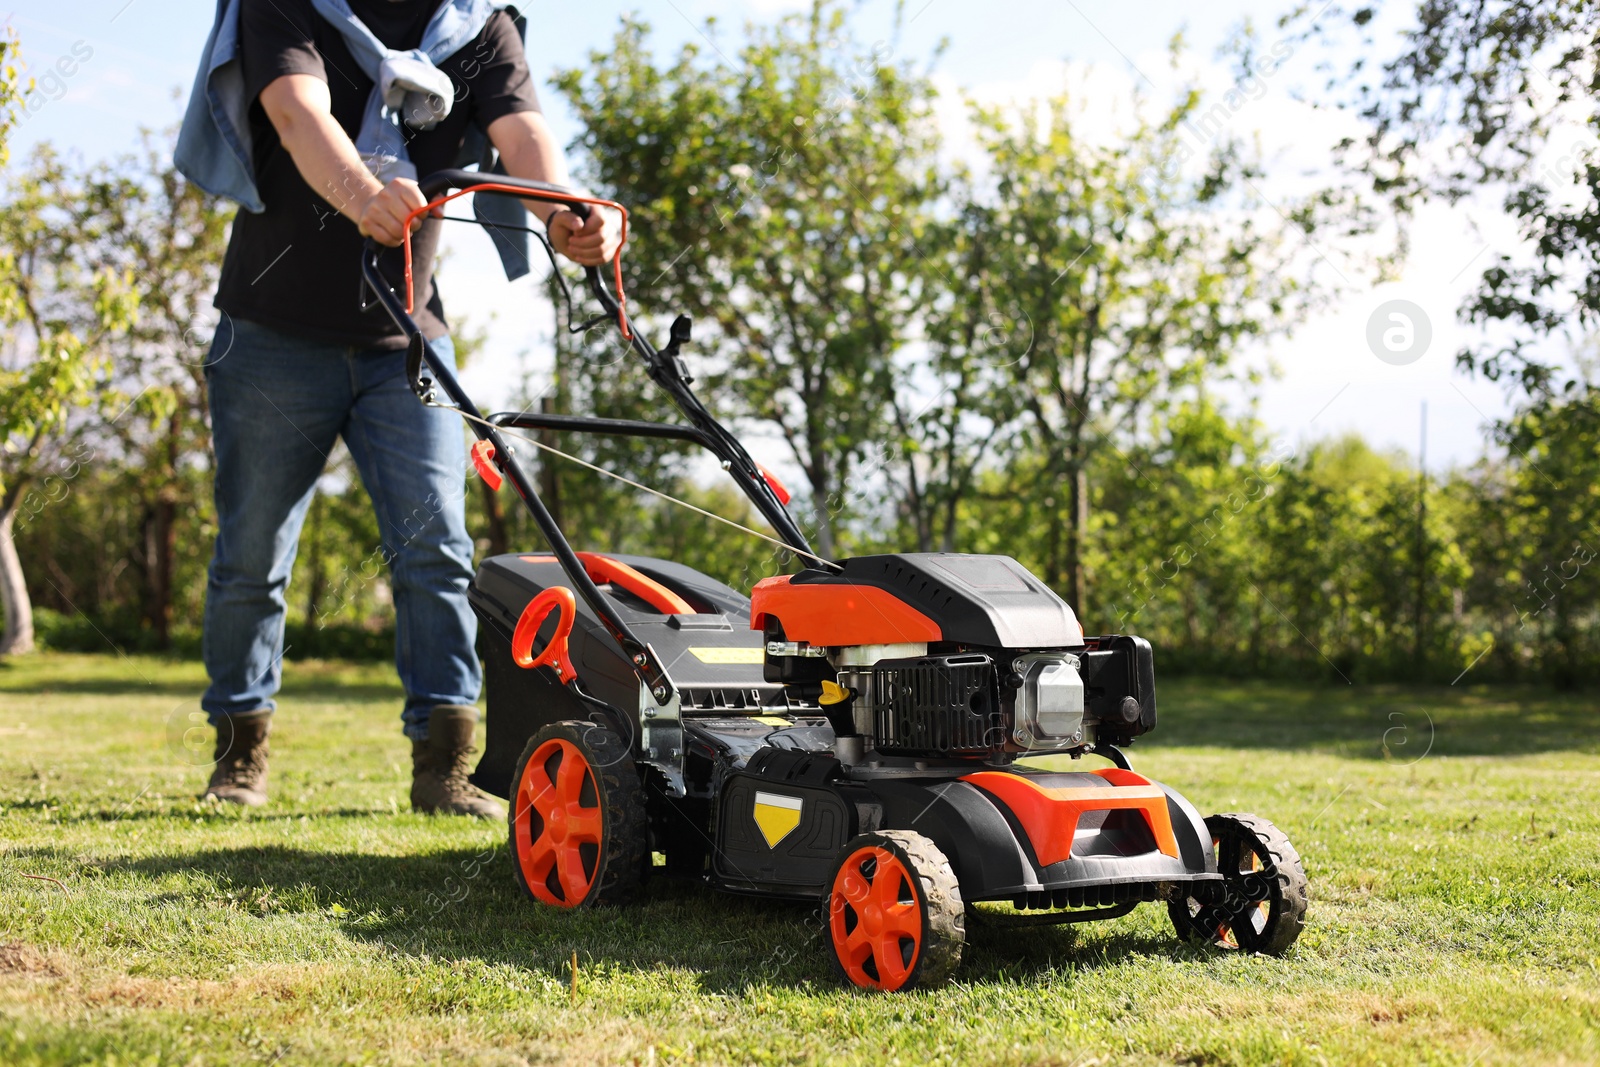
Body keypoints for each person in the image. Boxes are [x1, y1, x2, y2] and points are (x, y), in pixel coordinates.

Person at [178, 0, 620, 815]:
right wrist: (357, 190)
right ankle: (239, 756)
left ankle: (444, 769)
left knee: (436, 553)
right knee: (250, 558)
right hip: (270, 329)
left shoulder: (480, 23)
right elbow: (293, 105)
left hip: (405, 336)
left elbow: (521, 132)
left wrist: (562, 211)